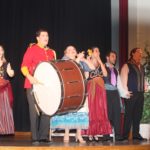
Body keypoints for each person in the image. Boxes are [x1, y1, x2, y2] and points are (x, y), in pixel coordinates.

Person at [50, 45, 94, 143]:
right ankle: (66, 133)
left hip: (81, 89)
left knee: (81, 112)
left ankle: (79, 135)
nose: (72, 51)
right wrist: (77, 59)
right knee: (69, 111)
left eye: (74, 49)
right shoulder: (64, 60)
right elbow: (70, 70)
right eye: (69, 50)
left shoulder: (80, 60)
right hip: (69, 89)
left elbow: (92, 67)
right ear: (65, 53)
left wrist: (84, 59)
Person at [21, 29, 56, 144]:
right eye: (43, 35)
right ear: (38, 38)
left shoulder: (51, 52)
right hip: (33, 84)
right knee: (34, 111)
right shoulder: (32, 49)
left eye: (47, 35)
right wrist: (30, 77)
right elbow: (24, 66)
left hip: (46, 86)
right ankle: (35, 137)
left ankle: (43, 136)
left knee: (47, 110)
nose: (46, 37)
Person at [84, 47, 112, 142]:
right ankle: (90, 132)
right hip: (92, 86)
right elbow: (86, 76)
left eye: (98, 51)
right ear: (91, 52)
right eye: (95, 51)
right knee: (92, 109)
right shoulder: (88, 62)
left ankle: (96, 132)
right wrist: (87, 62)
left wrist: (99, 60)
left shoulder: (101, 63)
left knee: (100, 110)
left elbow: (105, 74)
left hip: (100, 88)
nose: (97, 52)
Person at [120, 48, 147, 141]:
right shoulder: (127, 65)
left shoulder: (142, 67)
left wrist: (145, 86)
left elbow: (143, 79)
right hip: (131, 94)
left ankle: (136, 134)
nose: (140, 54)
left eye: (141, 53)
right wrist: (125, 91)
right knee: (129, 115)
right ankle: (125, 135)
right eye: (138, 52)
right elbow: (123, 78)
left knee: (138, 115)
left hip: (140, 94)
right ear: (132, 53)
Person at [103, 51, 130, 141]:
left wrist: (125, 93)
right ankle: (106, 135)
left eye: (115, 57)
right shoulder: (102, 67)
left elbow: (119, 84)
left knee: (117, 114)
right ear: (107, 57)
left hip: (115, 93)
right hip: (106, 92)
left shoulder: (115, 70)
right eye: (113, 56)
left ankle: (118, 136)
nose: (115, 58)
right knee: (107, 114)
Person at [0, 45, 15, 135]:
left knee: (4, 110)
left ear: (2, 52)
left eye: (1, 50)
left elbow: (11, 74)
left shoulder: (6, 64)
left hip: (3, 90)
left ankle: (3, 129)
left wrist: (11, 72)